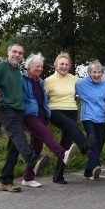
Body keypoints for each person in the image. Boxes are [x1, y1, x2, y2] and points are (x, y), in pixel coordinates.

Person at [0, 41, 44, 192]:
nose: (17, 55)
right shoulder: (0, 67)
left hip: (18, 110)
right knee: (18, 135)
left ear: (22, 56)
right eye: (14, 51)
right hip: (5, 109)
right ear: (8, 52)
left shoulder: (17, 71)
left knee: (14, 146)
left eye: (20, 53)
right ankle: (34, 160)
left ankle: (6, 180)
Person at [20, 53, 78, 188]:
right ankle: (62, 153)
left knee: (37, 147)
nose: (40, 68)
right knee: (46, 133)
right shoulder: (22, 79)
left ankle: (27, 178)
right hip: (29, 115)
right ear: (29, 66)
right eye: (37, 66)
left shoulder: (41, 82)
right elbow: (10, 87)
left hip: (42, 116)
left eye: (41, 66)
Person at [44, 52, 91, 184]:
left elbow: (89, 83)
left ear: (69, 66)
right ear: (56, 65)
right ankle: (85, 147)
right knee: (72, 126)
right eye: (61, 64)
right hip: (55, 111)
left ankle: (58, 176)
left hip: (71, 110)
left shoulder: (74, 79)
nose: (64, 66)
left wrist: (103, 78)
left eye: (66, 64)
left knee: (65, 145)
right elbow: (41, 99)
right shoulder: (48, 81)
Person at [76, 60, 105, 181]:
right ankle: (96, 166)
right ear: (89, 72)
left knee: (99, 144)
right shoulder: (80, 83)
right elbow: (69, 91)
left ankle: (87, 172)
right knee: (92, 141)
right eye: (94, 72)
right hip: (88, 117)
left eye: (99, 72)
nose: (96, 75)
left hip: (102, 117)